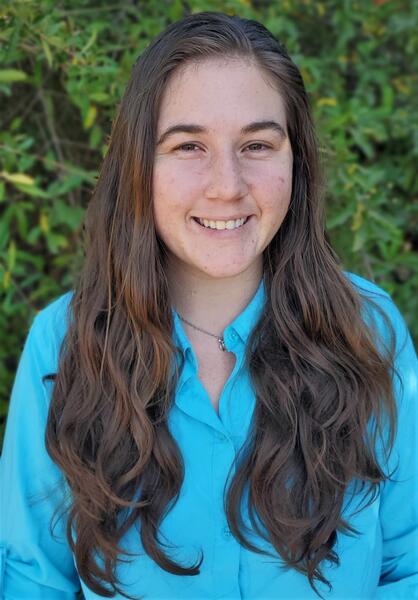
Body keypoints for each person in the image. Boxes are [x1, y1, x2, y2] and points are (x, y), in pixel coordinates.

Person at [0, 11, 417, 600]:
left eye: (256, 144)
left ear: (296, 160)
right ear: (140, 165)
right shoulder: (64, 344)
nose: (227, 184)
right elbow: (30, 580)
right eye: (189, 145)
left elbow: (411, 569)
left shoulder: (370, 332)